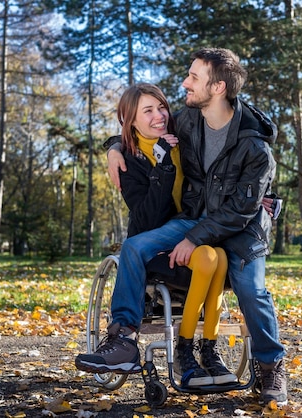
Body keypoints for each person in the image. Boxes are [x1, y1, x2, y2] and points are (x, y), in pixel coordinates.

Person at [78, 47, 288, 406]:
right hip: (193, 218)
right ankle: (124, 338)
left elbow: (241, 211)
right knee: (134, 246)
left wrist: (194, 237)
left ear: (218, 87)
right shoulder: (188, 121)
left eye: (193, 77)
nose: (184, 83)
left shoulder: (254, 148)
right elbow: (141, 124)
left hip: (242, 229)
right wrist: (115, 146)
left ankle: (271, 366)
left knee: (252, 291)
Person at [75, 83, 236, 387]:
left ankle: (197, 351)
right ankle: (123, 338)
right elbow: (146, 217)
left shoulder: (183, 134)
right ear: (130, 121)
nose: (159, 116)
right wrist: (158, 164)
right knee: (134, 247)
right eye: (147, 111)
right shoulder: (129, 161)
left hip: (197, 222)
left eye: (161, 107)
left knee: (138, 248)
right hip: (160, 231)